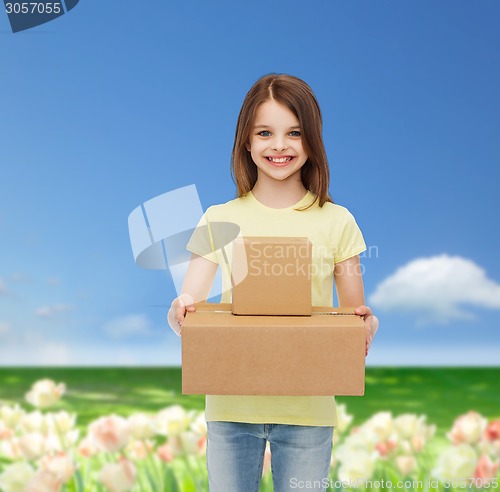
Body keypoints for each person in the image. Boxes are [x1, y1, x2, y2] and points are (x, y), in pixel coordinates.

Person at [167, 73, 379, 492]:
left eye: (294, 133)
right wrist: (180, 313)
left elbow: (352, 317)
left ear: (312, 142)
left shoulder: (338, 222)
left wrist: (367, 327)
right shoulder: (218, 218)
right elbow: (189, 306)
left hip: (308, 411)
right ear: (246, 142)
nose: (278, 145)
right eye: (265, 132)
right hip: (230, 405)